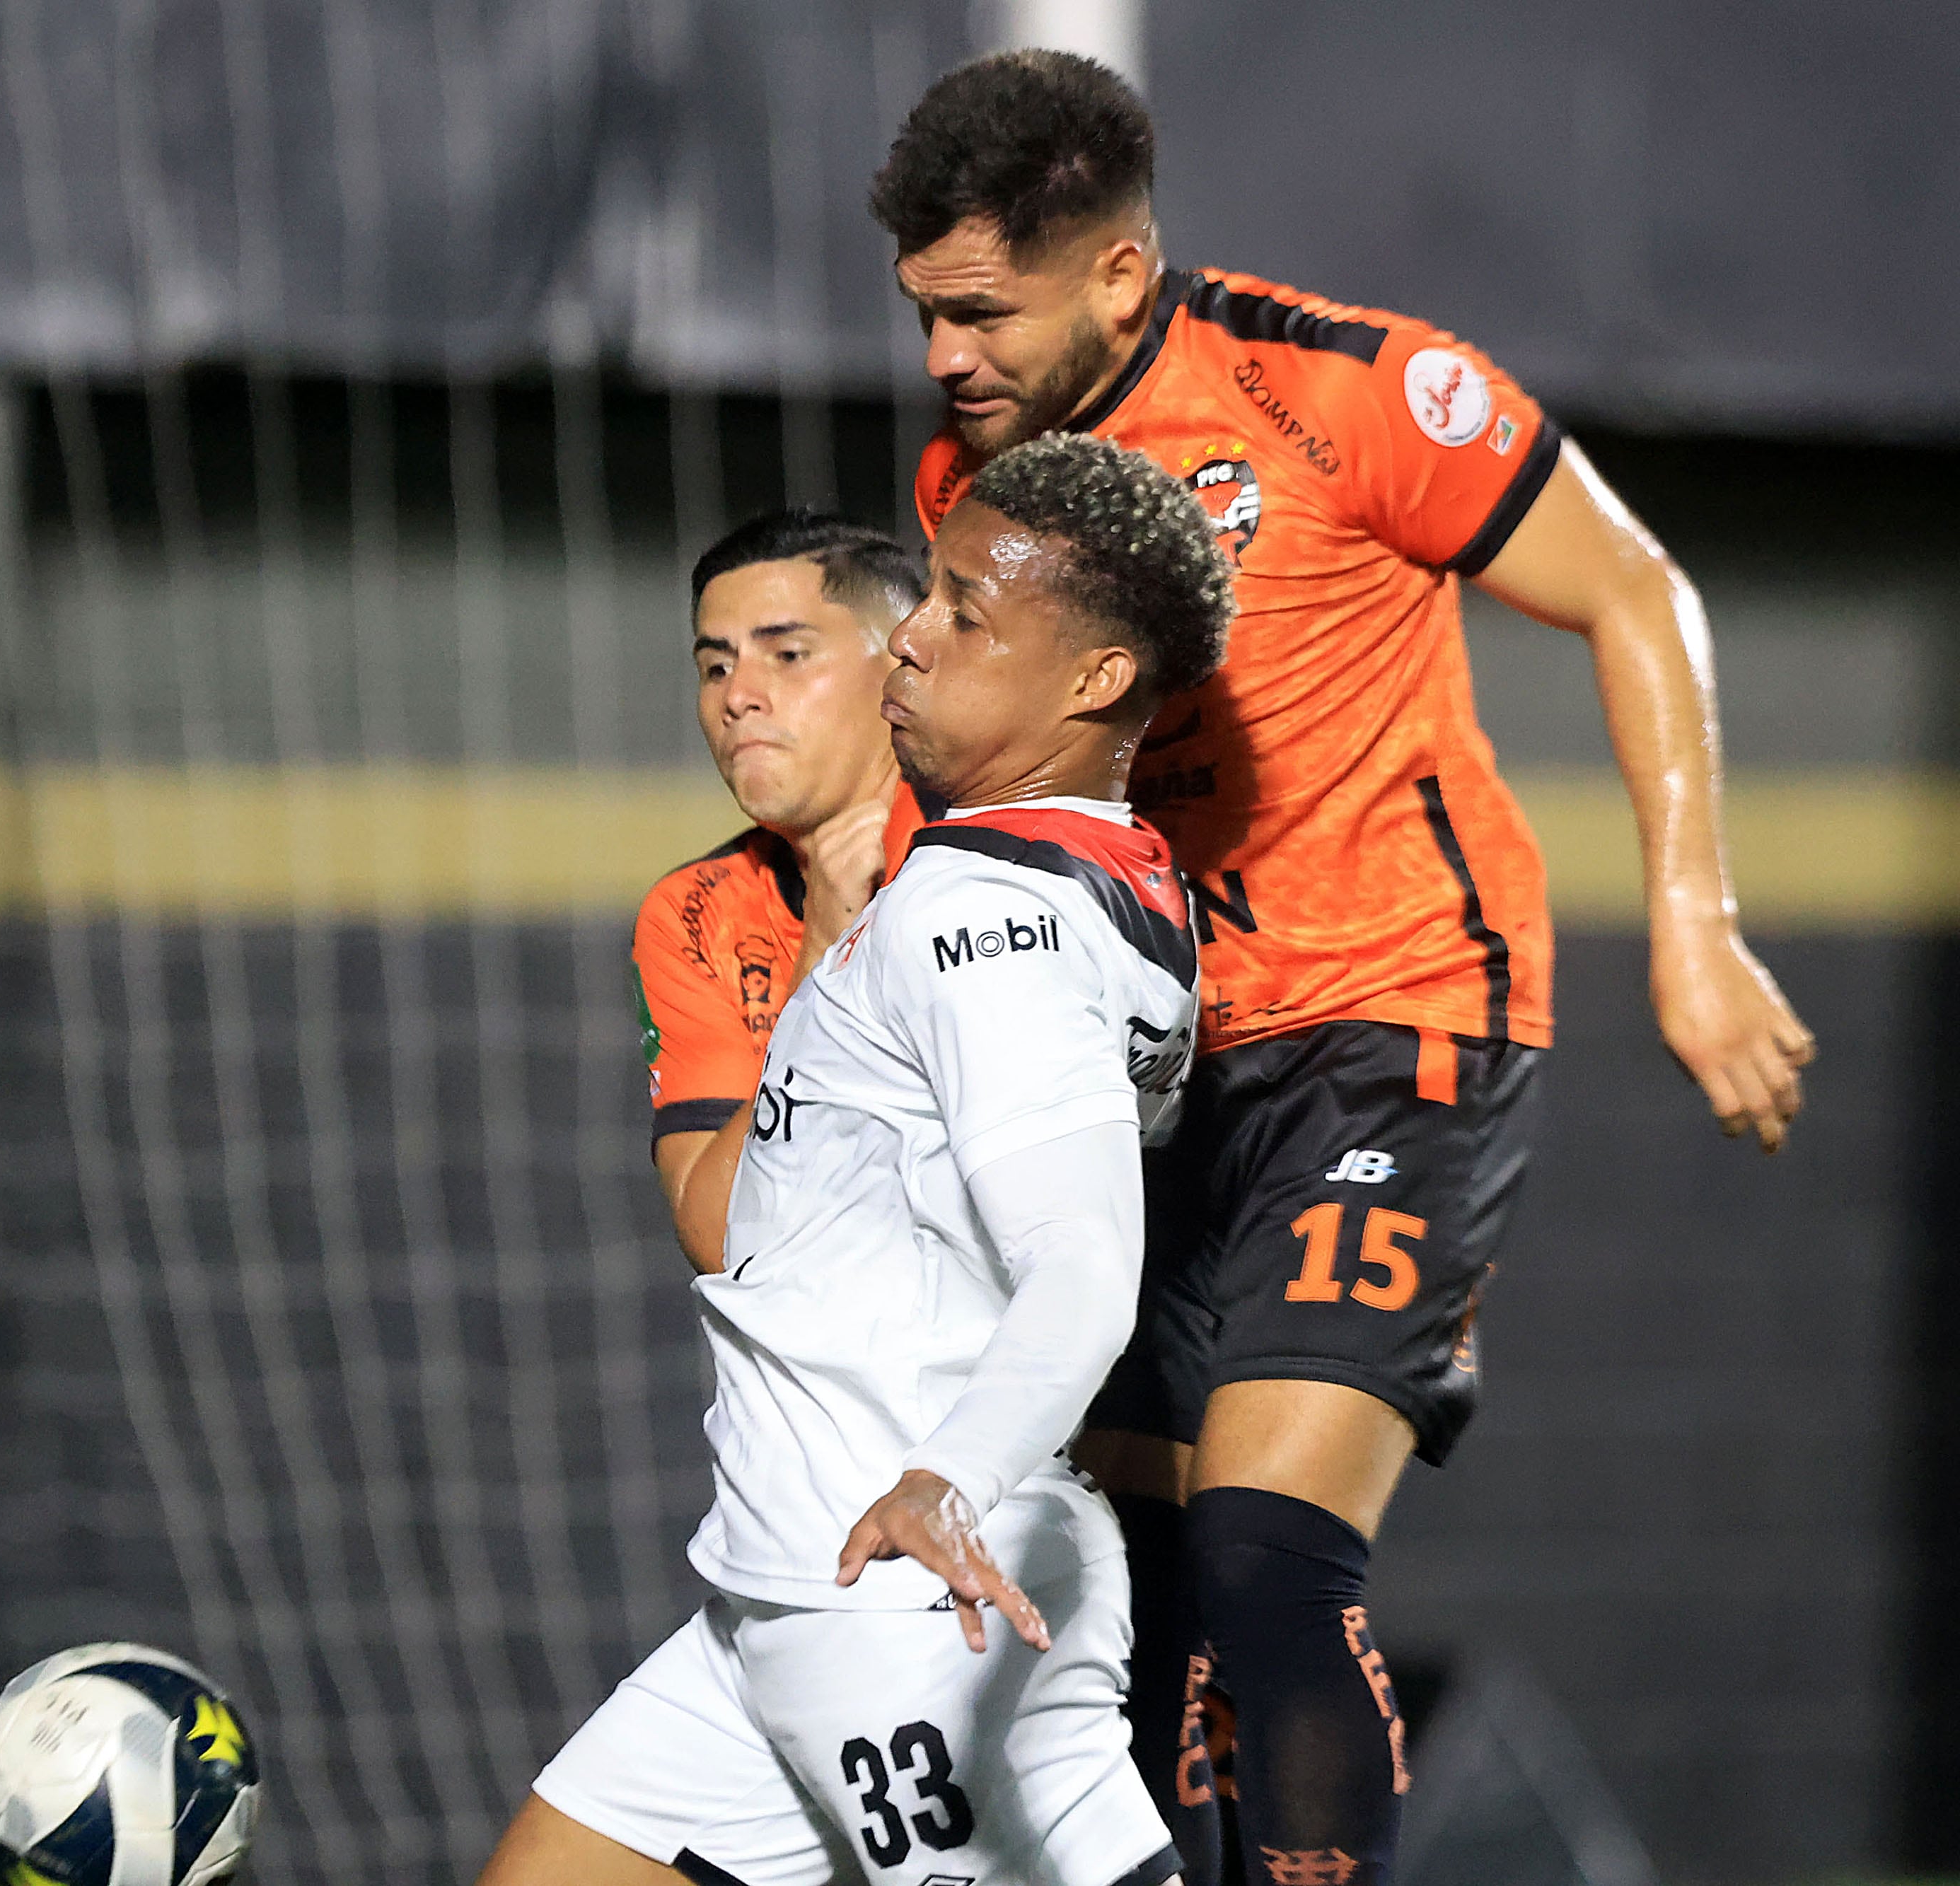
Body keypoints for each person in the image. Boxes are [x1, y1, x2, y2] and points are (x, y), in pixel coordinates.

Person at [869, 50, 1818, 1886]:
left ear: (1122, 276)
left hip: (1400, 1024)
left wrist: (1693, 927)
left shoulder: (1349, 391)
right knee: (1125, 1595)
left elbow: (1637, 593)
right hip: (1166, 1078)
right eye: (923, 315)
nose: (946, 359)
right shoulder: (968, 488)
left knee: (1267, 1550)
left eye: (983, 310)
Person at [479, 432, 1234, 1886]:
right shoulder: (1056, 878)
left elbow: (1085, 1266)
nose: (917, 640)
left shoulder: (979, 921)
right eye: (925, 595)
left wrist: (942, 1481)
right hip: (776, 1587)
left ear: (1089, 683)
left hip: (902, 1592)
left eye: (958, 612)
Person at [634, 510, 940, 1273]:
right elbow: (720, 1240)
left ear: (906, 668)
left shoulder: (994, 859)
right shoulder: (695, 911)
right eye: (715, 666)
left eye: (788, 655)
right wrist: (822, 965)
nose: (738, 696)